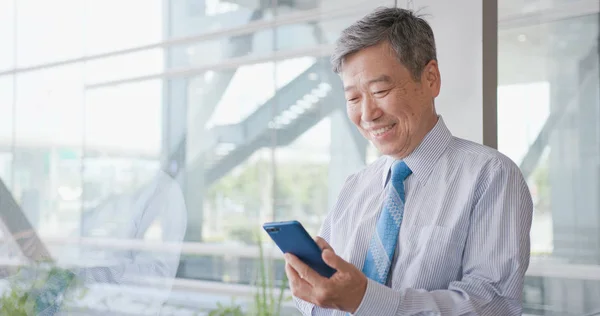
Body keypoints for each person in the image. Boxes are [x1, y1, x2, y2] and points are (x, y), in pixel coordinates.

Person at [284, 6, 533, 316]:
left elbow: (494, 304)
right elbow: (324, 301)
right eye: (353, 98)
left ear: (430, 79)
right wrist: (317, 291)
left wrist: (366, 300)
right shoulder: (355, 186)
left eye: (380, 90)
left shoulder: (491, 176)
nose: (367, 114)